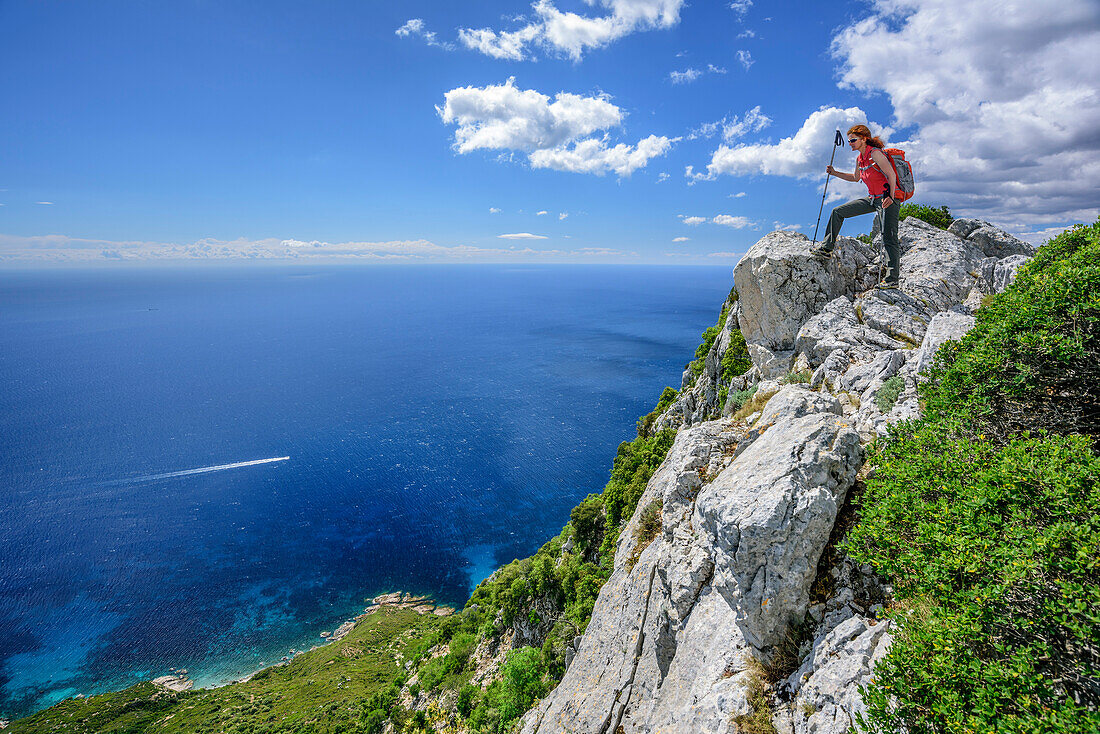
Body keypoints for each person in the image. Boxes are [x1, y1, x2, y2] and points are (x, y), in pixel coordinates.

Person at [810, 125, 901, 288]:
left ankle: (892, 279)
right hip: (872, 198)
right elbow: (855, 177)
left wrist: (891, 196)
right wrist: (834, 172)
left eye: (853, 140)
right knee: (838, 212)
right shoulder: (860, 158)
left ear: (864, 139)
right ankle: (826, 248)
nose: (850, 143)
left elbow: (891, 175)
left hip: (887, 198)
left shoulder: (876, 154)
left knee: (889, 236)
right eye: (849, 140)